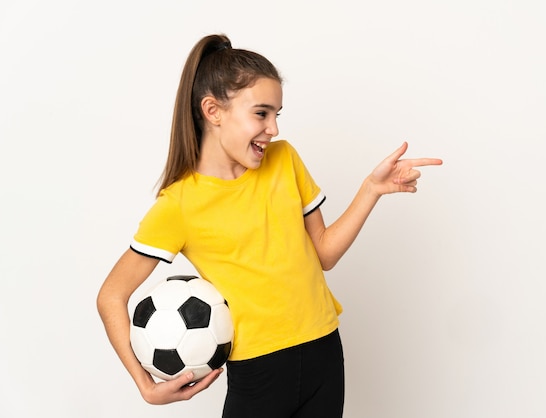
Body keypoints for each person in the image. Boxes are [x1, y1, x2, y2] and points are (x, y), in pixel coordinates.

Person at [96, 33, 442, 418]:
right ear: (213, 111)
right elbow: (111, 295)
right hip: (259, 372)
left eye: (277, 114)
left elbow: (324, 253)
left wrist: (371, 190)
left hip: (324, 351)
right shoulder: (179, 204)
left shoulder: (284, 160)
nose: (273, 128)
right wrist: (145, 385)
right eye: (261, 113)